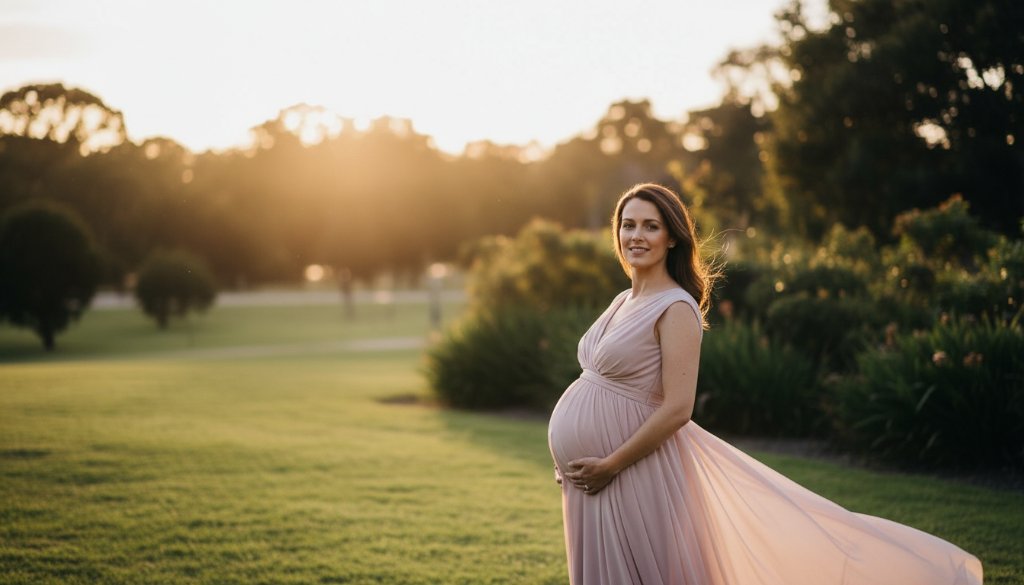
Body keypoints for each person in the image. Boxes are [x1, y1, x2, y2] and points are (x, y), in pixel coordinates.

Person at [546, 183, 983, 585]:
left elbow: (679, 408)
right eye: (627, 224)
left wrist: (611, 463)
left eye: (650, 226)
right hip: (592, 477)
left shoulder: (675, 307)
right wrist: (571, 456)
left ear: (673, 237)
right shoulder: (623, 299)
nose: (636, 235)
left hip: (632, 472)